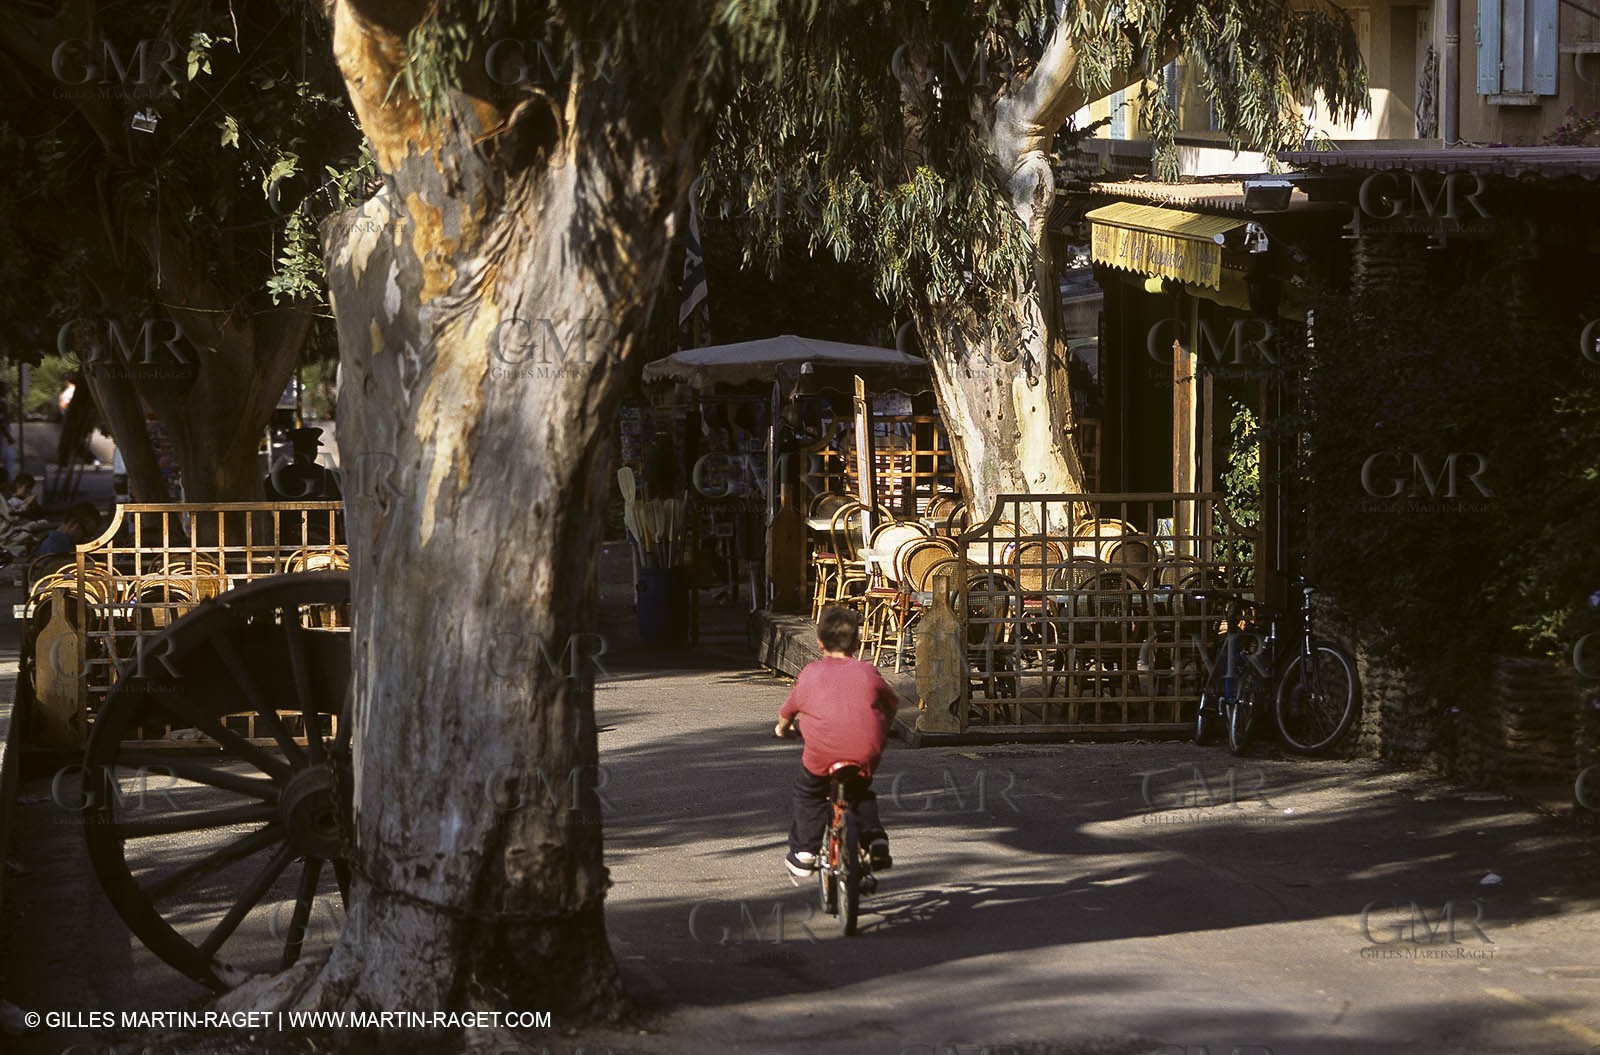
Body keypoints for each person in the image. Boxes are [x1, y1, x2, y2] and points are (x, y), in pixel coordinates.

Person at [774, 606, 896, 879]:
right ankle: (875, 838)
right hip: (865, 749)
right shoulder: (867, 671)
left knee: (809, 793)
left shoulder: (810, 673)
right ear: (856, 643)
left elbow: (787, 712)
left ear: (819, 642)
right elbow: (891, 703)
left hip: (821, 753)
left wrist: (783, 729)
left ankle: (805, 851)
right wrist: (882, 728)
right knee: (860, 791)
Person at [35, 503, 101, 557]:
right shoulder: (59, 549)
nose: (87, 540)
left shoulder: (49, 543)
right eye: (86, 534)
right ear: (73, 524)